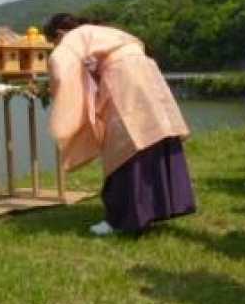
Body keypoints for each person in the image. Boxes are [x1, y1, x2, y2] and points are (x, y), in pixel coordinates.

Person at [44, 14, 196, 236]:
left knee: (123, 144)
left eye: (54, 42)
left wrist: (59, 92)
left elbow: (59, 65)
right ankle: (161, 206)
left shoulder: (75, 36)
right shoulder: (102, 32)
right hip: (146, 72)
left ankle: (121, 219)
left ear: (59, 34)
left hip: (123, 78)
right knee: (156, 134)